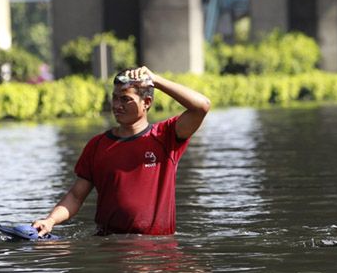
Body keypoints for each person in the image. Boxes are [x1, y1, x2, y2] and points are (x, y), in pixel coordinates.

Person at [33, 66, 210, 236]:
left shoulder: (166, 136)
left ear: (146, 103)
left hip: (157, 252)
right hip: (110, 248)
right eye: (115, 98)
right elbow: (75, 196)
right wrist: (50, 221)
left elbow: (201, 106)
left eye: (125, 99)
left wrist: (155, 79)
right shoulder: (97, 145)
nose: (117, 105)